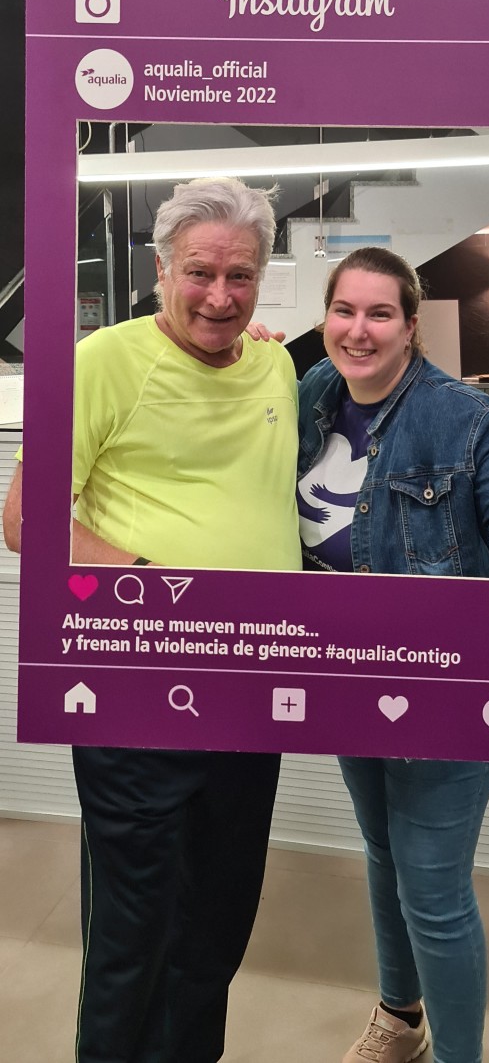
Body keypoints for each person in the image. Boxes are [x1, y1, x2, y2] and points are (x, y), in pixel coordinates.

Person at [3, 178, 301, 1063]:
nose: (220, 295)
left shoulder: (277, 365)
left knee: (217, 926)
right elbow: (25, 519)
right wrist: (154, 588)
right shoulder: (103, 360)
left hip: (251, 693)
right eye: (200, 271)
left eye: (241, 275)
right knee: (134, 931)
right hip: (136, 688)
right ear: (161, 269)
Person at [296, 246, 489, 1063]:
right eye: (344, 310)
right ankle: (401, 1019)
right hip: (346, 674)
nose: (359, 330)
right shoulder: (314, 393)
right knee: (383, 854)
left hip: (448, 685)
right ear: (325, 317)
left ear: (411, 324)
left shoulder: (465, 417)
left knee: (431, 886)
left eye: (380, 313)